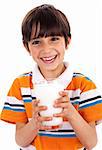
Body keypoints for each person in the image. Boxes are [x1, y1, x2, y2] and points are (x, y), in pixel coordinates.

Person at [1, 4, 102, 150]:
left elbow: (91, 142)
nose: (46, 50)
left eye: (54, 39)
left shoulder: (83, 86)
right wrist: (35, 122)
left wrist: (71, 113)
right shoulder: (21, 85)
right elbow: (20, 141)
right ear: (26, 47)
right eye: (36, 42)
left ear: (67, 41)